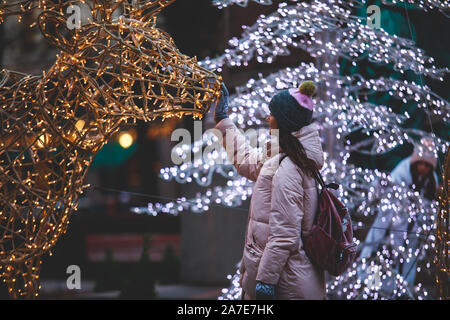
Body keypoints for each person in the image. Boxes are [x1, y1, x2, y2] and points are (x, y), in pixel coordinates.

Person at [211, 81, 326, 300]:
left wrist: (266, 282)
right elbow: (248, 161)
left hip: (285, 285)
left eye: (272, 114)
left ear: (284, 121)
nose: (267, 118)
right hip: (287, 278)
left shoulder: (289, 169)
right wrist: (223, 120)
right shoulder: (284, 156)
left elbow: (284, 235)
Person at [360, 139, 438, 286]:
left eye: (426, 165)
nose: (422, 168)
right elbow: (387, 198)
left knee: (404, 267)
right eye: (421, 163)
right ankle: (371, 287)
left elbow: (430, 207)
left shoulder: (431, 181)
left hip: (412, 232)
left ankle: (398, 290)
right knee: (379, 260)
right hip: (390, 227)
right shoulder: (402, 172)